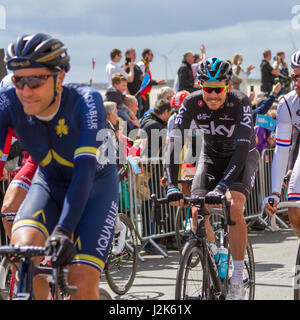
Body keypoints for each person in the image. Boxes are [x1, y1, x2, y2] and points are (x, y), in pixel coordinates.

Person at [0, 33, 120, 300]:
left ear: (60, 78)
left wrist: (64, 230)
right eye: (19, 80)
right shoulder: (9, 99)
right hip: (49, 183)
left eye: (35, 80)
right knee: (23, 255)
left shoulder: (86, 102)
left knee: (81, 278)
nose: (26, 90)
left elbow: (85, 172)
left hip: (95, 188)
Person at [165, 57, 258, 300]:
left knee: (235, 206)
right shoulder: (192, 102)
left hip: (241, 157)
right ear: (200, 86)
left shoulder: (240, 102)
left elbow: (240, 150)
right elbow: (175, 142)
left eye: (219, 89)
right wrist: (172, 185)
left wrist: (223, 186)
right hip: (211, 156)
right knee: (197, 211)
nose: (213, 95)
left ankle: (237, 277)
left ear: (228, 86)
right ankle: (216, 253)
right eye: (208, 89)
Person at [263, 50, 300, 239]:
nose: (298, 83)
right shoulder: (287, 102)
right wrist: (275, 193)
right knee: (295, 209)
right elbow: (282, 149)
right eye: (295, 76)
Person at [136, 48, 166, 117]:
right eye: (151, 55)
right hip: (142, 94)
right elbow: (143, 80)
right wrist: (156, 82)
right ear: (146, 55)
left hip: (145, 93)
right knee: (143, 115)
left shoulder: (145, 65)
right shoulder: (142, 64)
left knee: (145, 113)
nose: (153, 57)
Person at [124, 48, 143, 117]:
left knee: (138, 114)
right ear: (127, 55)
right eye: (133, 54)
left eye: (135, 54)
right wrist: (128, 93)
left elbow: (141, 78)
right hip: (130, 95)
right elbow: (124, 81)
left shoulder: (136, 67)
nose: (135, 55)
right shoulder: (124, 68)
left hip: (138, 94)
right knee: (130, 115)